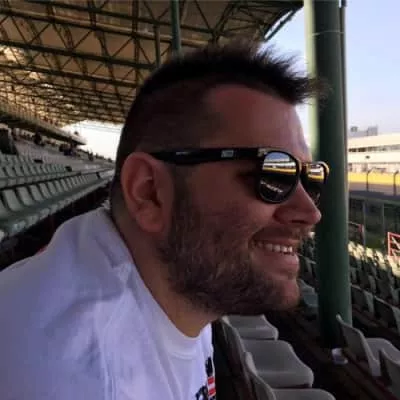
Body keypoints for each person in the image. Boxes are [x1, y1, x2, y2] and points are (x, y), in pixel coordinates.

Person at [0, 40, 329, 400]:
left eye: (310, 178)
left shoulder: (179, 284)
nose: (310, 212)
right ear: (149, 191)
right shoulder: (73, 376)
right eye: (274, 174)